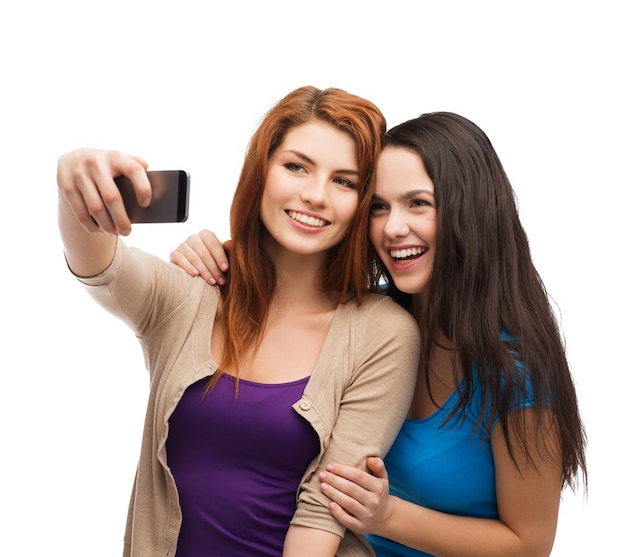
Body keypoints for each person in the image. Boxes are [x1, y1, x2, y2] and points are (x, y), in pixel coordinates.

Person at [170, 111, 588, 556]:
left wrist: (388, 516)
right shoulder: (371, 323)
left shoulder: (516, 371)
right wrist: (220, 254)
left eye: (419, 204)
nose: (392, 228)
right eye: (379, 207)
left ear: (472, 211)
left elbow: (531, 545)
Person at [56, 85, 421, 557]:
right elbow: (99, 265)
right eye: (296, 166)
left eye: (344, 182)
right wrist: (74, 180)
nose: (315, 196)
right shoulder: (189, 296)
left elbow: (321, 515)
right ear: (261, 172)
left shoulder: (382, 333)